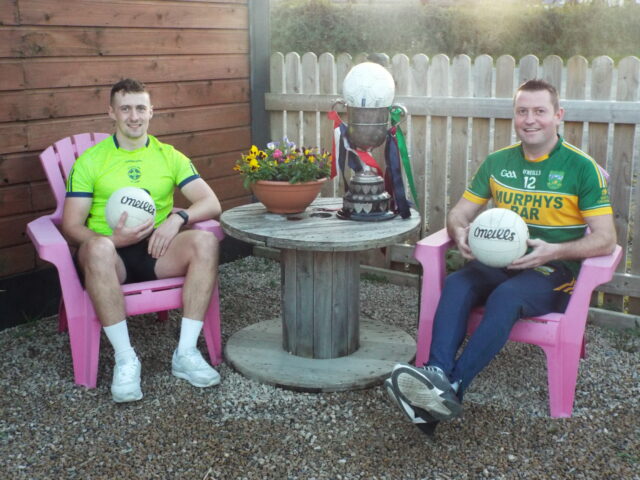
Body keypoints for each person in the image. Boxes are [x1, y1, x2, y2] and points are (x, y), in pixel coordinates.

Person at [386, 79, 617, 437]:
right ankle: (436, 374)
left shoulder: (580, 167)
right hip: (499, 262)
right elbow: (459, 213)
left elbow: (606, 239)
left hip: (553, 270)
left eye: (539, 111)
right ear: (514, 116)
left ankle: (452, 388)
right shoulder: (498, 162)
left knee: (507, 297)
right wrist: (460, 232)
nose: (530, 119)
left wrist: (555, 250)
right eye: (522, 111)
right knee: (458, 282)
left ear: (558, 115)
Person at [62, 78, 222, 403]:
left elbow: (211, 203)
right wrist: (113, 240)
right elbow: (71, 226)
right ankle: (126, 360)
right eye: (125, 109)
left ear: (151, 111)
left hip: (157, 250)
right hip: (109, 259)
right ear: (112, 112)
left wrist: (177, 219)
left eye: (140, 108)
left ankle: (186, 353)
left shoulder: (169, 156)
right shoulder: (91, 161)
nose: (133, 116)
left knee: (205, 242)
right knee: (96, 247)